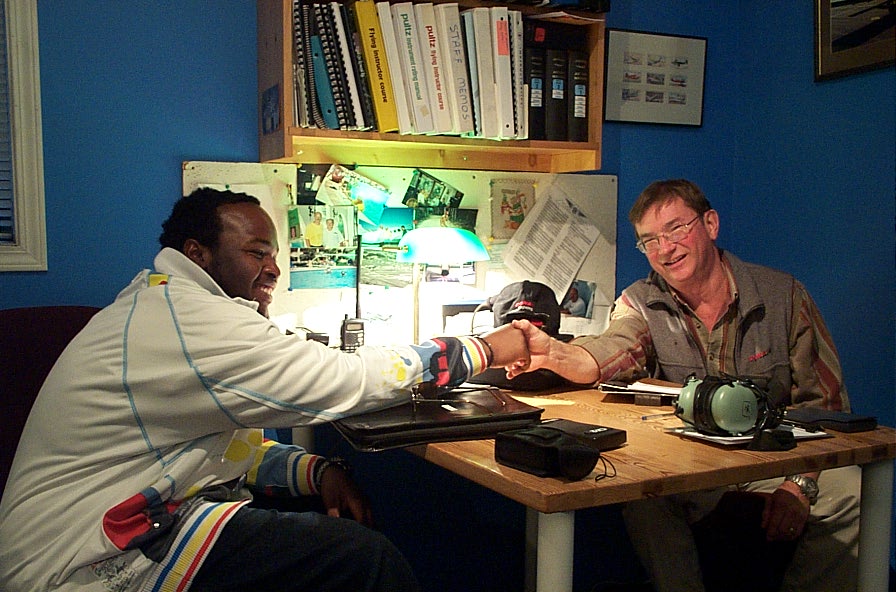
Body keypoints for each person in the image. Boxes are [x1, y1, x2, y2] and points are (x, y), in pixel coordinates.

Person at [0, 188, 529, 592]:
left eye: (273, 252)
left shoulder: (165, 304)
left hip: (121, 518)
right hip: (77, 560)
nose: (273, 267)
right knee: (364, 558)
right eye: (256, 252)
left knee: (320, 529)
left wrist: (315, 470)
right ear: (198, 254)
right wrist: (484, 349)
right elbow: (345, 380)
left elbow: (217, 451)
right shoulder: (192, 320)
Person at [506, 179, 860, 592]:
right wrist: (556, 354)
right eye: (650, 241)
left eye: (676, 229)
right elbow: (613, 349)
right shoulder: (639, 301)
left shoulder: (784, 296)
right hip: (689, 468)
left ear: (710, 224)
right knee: (641, 496)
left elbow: (827, 407)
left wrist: (798, 483)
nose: (665, 249)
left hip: (770, 460)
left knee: (850, 487)